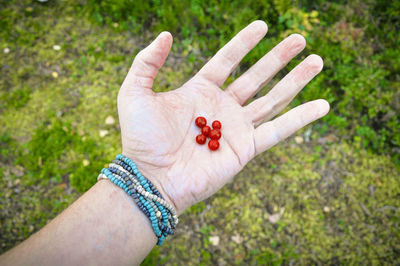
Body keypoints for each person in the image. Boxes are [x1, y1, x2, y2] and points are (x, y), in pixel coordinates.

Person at [0, 21, 329, 265]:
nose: (208, 133)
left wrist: (150, 182)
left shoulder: (208, 133)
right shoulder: (206, 134)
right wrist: (152, 176)